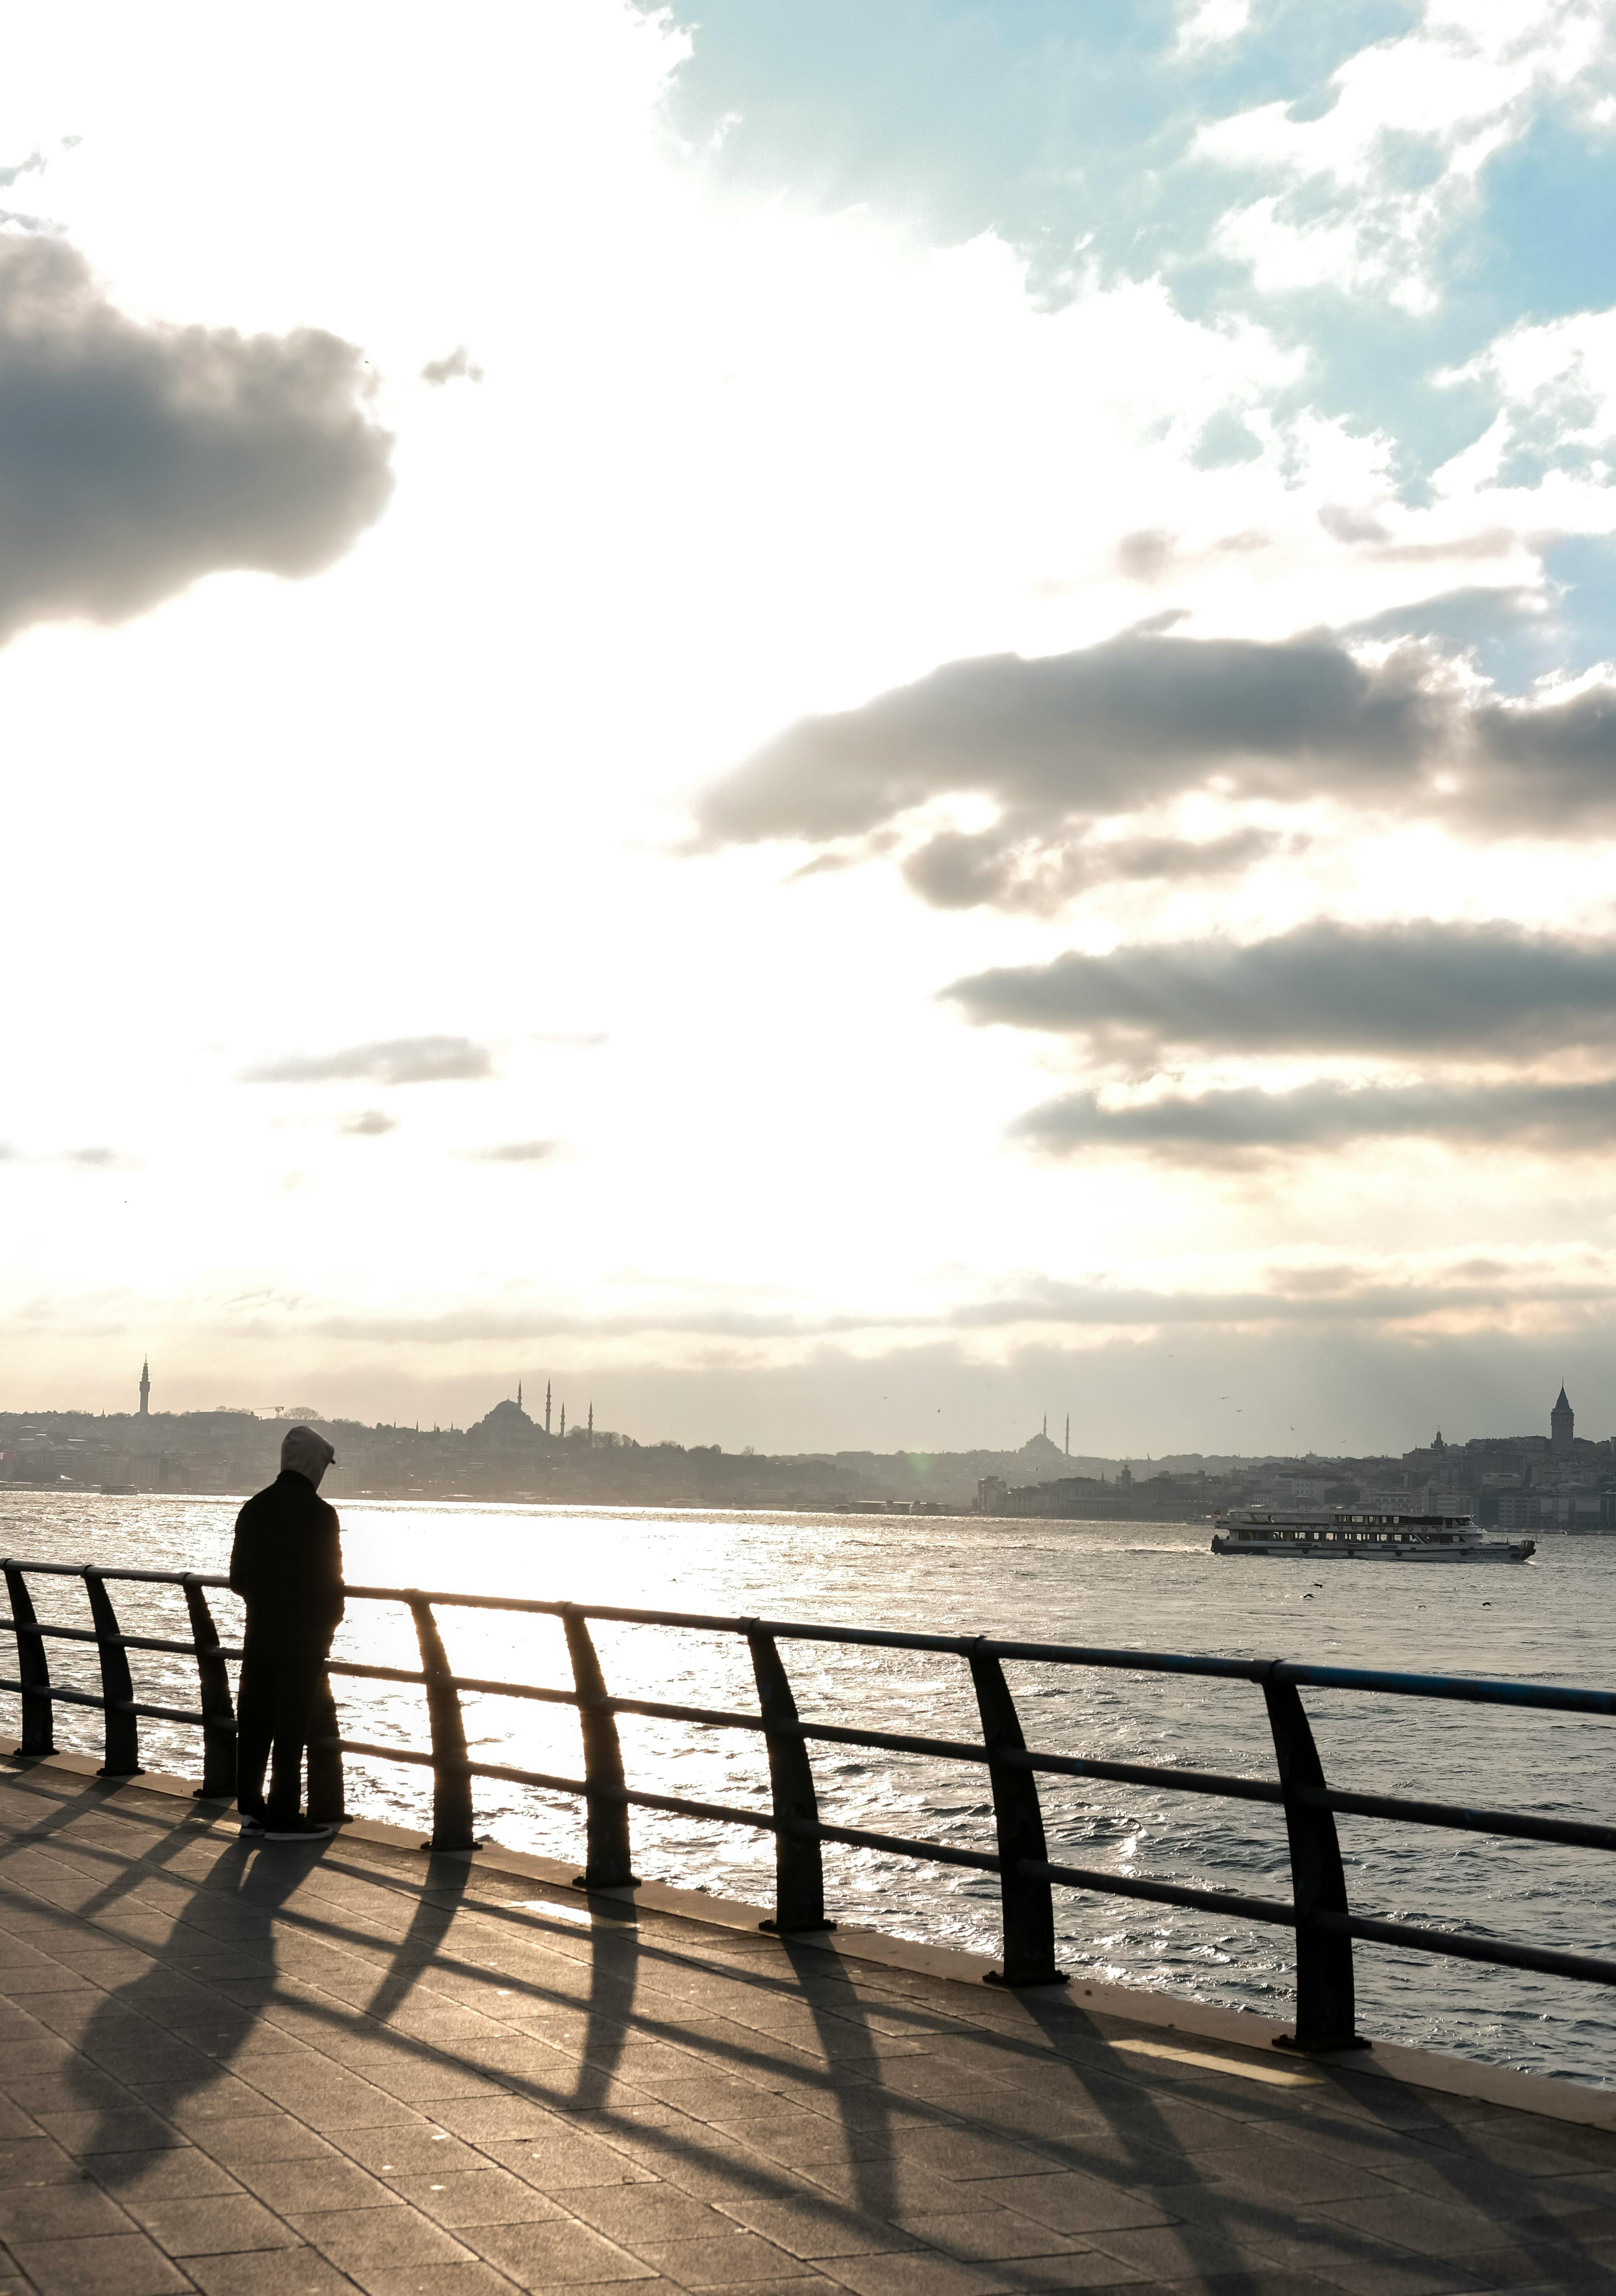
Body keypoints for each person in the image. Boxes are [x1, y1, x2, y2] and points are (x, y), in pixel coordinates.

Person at [229, 1424, 346, 1842]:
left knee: (256, 1719)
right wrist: (327, 1625)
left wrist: (266, 1603)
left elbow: (238, 1578)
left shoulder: (254, 1508)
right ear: (315, 1465)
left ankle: (251, 1813)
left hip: (260, 1632)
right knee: (291, 1723)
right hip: (303, 1637)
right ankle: (283, 1815)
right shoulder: (320, 1515)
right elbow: (330, 1584)